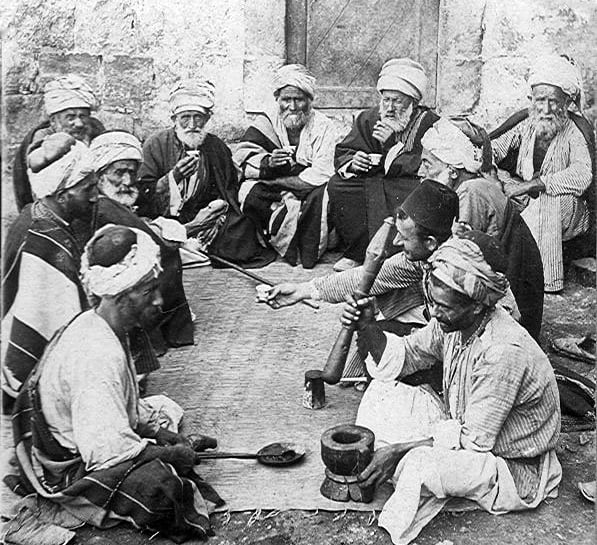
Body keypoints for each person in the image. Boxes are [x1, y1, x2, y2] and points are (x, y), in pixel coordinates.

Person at [342, 234, 561, 545]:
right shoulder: (453, 323)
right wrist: (366, 326)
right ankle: (398, 464)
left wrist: (401, 449)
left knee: (420, 463)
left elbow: (475, 442)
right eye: (431, 302)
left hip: (509, 465)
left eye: (441, 307)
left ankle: (400, 468)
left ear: (475, 307)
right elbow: (407, 355)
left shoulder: (502, 351)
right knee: (381, 392)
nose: (433, 313)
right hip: (464, 426)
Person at [11, 225, 224, 542]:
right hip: (69, 464)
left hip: (87, 431)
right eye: (148, 292)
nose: (159, 299)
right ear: (121, 297)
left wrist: (160, 435)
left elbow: (125, 409)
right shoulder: (97, 356)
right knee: (162, 490)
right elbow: (107, 453)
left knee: (165, 411)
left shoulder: (105, 323)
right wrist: (171, 454)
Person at [418, 117, 544, 339]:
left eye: (427, 164)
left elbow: (459, 264)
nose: (420, 171)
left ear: (452, 170)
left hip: (513, 309)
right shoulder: (469, 187)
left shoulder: (472, 192)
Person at [137, 79, 275, 268]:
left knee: (242, 226)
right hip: (168, 216)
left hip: (207, 214)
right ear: (174, 120)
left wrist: (217, 216)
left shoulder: (215, 146)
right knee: (155, 233)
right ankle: (192, 244)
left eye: (198, 117)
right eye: (185, 117)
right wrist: (173, 177)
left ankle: (196, 246)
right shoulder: (156, 144)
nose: (192, 124)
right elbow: (144, 193)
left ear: (207, 119)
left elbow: (229, 189)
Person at [2, 145, 98, 404]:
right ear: (62, 194)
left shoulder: (34, 216)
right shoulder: (43, 238)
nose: (95, 197)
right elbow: (53, 324)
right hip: (27, 381)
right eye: (87, 189)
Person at [490, 54, 594, 292]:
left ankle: (546, 280)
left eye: (553, 101)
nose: (546, 109)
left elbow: (582, 174)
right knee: (492, 184)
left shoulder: (575, 131)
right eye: (540, 100)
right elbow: (494, 149)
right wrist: (495, 178)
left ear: (566, 101)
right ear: (531, 100)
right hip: (527, 201)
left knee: (548, 200)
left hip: (569, 211)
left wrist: (535, 184)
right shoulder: (527, 123)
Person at [328, 58, 439, 271]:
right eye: (386, 99)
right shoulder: (370, 118)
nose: (389, 108)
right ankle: (358, 252)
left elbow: (423, 164)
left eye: (397, 101)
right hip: (373, 179)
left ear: (412, 102)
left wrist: (391, 145)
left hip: (407, 183)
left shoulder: (428, 123)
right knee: (338, 185)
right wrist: (353, 162)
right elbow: (345, 150)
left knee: (414, 193)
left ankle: (397, 255)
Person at [88, 131, 195, 352]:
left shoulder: (112, 201)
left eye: (131, 172)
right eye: (119, 173)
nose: (127, 181)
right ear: (99, 174)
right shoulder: (102, 206)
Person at [233, 64, 341, 268]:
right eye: (286, 99)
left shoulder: (324, 126)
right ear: (277, 100)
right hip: (276, 187)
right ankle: (274, 238)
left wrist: (275, 180)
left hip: (308, 189)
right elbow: (244, 159)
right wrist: (268, 162)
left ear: (309, 101)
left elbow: (320, 174)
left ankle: (302, 246)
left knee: (323, 197)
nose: (292, 106)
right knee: (247, 191)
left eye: (298, 99)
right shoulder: (266, 121)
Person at [12, 74, 104, 211]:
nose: (79, 124)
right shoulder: (41, 139)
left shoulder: (95, 130)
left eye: (83, 116)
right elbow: (41, 191)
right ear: (54, 121)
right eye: (70, 117)